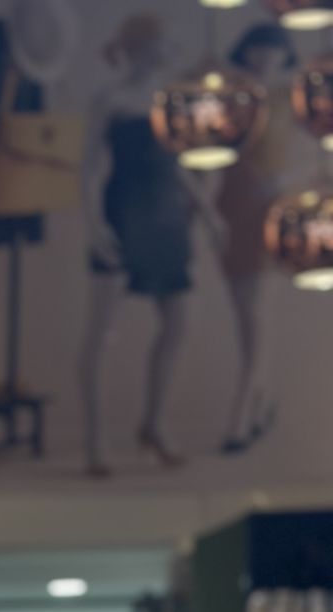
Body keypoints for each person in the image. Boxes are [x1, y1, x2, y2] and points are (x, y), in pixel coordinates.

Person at [79, 13, 225, 477]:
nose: (167, 52)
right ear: (143, 47)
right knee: (101, 331)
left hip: (167, 215)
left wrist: (208, 213)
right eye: (162, 44)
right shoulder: (111, 98)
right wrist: (94, 224)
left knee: (179, 322)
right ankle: (95, 441)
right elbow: (88, 167)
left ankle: (153, 423)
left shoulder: (170, 99)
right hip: (124, 210)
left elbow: (177, 165)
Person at [215, 22, 303, 453]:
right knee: (248, 318)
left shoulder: (292, 97)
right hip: (233, 205)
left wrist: (289, 181)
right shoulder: (231, 95)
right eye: (258, 48)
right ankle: (260, 404)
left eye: (273, 49)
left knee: (257, 318)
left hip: (269, 206)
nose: (265, 56)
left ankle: (242, 415)